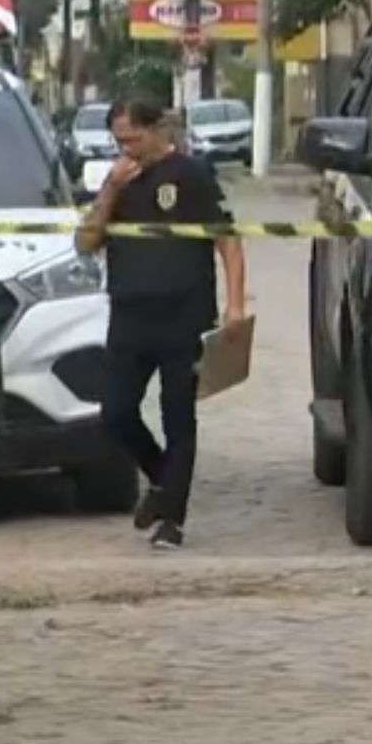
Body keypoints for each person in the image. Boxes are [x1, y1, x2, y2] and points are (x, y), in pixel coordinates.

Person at [75, 95, 247, 551]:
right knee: (115, 412)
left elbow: (227, 241)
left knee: (178, 417)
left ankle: (173, 518)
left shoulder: (192, 175)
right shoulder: (118, 181)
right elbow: (85, 242)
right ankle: (162, 482)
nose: (126, 148)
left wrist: (234, 306)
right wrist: (109, 191)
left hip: (184, 316)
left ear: (157, 131)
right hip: (130, 314)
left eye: (132, 139)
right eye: (118, 141)